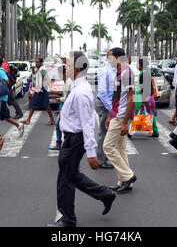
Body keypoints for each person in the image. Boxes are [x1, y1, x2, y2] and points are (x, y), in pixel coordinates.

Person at [47, 51, 116, 227]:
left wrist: (92, 153)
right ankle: (105, 194)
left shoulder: (82, 93)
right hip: (71, 138)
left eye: (68, 65)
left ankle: (68, 220)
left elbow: (87, 124)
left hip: (75, 140)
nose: (66, 68)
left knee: (65, 180)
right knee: (71, 176)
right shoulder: (77, 88)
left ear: (77, 68)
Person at [103, 47, 137, 194]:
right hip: (117, 114)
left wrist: (124, 122)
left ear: (118, 57)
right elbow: (116, 98)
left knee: (107, 147)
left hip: (122, 116)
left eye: (110, 57)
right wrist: (110, 115)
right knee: (119, 148)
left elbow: (131, 98)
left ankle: (128, 176)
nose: (108, 60)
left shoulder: (126, 73)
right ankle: (124, 181)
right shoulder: (118, 72)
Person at [0, 56, 24, 136]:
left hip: (1, 98)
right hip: (2, 98)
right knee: (4, 116)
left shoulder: (0, 71)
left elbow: (7, 81)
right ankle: (19, 125)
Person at [95, 50, 116, 169]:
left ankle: (104, 156)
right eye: (114, 58)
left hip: (108, 104)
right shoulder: (105, 72)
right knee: (103, 132)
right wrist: (111, 108)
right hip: (104, 105)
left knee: (108, 132)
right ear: (109, 59)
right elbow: (103, 94)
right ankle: (101, 160)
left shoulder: (112, 71)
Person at [22, 58, 55, 126]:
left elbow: (47, 77)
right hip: (39, 89)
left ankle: (52, 120)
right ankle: (52, 120)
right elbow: (35, 77)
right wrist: (33, 71)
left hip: (41, 89)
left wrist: (50, 87)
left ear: (41, 63)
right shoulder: (39, 69)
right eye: (36, 62)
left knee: (42, 105)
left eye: (37, 62)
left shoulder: (42, 69)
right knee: (41, 105)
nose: (36, 64)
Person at [48, 64, 72, 151]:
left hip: (66, 107)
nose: (59, 75)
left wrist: (60, 99)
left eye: (59, 73)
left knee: (60, 125)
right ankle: (60, 144)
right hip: (64, 107)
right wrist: (57, 93)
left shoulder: (69, 81)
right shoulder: (66, 81)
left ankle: (61, 144)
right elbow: (65, 93)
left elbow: (69, 96)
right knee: (59, 125)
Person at [0, 52, 23, 120]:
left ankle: (18, 112)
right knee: (8, 100)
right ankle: (6, 113)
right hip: (6, 85)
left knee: (11, 100)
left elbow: (4, 75)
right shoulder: (5, 63)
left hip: (6, 86)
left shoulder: (3, 64)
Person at [134, 58, 159, 137]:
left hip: (142, 97)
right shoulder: (146, 72)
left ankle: (130, 130)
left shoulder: (143, 74)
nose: (136, 65)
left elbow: (144, 88)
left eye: (137, 64)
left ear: (141, 65)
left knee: (135, 113)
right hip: (147, 96)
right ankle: (155, 131)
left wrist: (142, 101)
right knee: (149, 113)